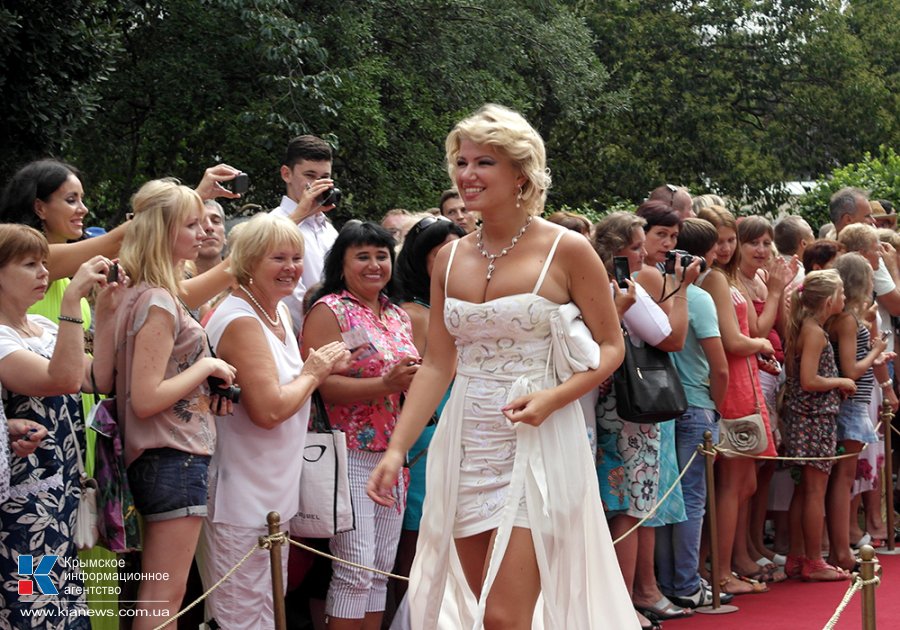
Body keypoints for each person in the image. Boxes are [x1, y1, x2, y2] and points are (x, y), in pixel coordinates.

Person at [368, 104, 634, 629]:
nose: (467, 174)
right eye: (462, 162)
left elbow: (611, 347)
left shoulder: (567, 249)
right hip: (466, 442)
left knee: (503, 617)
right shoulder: (448, 259)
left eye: (484, 162)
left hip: (539, 440)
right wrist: (397, 449)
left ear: (521, 174)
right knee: (484, 612)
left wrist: (554, 398)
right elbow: (437, 364)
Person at [197, 213, 349, 628]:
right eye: (277, 258)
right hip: (240, 496)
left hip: (272, 493)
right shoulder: (241, 319)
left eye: (297, 258)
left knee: (268, 612)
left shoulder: (276, 310)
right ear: (248, 262)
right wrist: (314, 373)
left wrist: (318, 371)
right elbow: (268, 411)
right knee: (240, 618)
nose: (291, 268)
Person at [107, 179, 237, 628]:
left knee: (155, 592)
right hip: (172, 454)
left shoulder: (137, 291)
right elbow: (146, 398)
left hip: (157, 454)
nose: (204, 232)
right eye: (192, 225)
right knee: (164, 596)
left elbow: (108, 378)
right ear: (164, 231)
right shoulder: (159, 300)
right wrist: (207, 367)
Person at [301, 221, 420, 630]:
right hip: (346, 451)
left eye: (382, 256)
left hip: (392, 454)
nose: (374, 265)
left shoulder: (397, 314)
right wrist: (386, 384)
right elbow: (320, 385)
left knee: (380, 569)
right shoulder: (330, 309)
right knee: (354, 568)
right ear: (342, 263)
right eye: (362, 256)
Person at [0, 224, 120, 628]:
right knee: (36, 608)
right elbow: (62, 379)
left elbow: (97, 377)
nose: (43, 273)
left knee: (66, 608)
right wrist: (71, 300)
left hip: (64, 493)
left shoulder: (44, 326)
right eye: (28, 264)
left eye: (43, 263)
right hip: (24, 508)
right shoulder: (1, 338)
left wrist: (107, 310)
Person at [591, 212, 698, 628]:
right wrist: (682, 290)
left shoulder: (595, 284)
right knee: (631, 506)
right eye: (636, 246)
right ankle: (627, 602)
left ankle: (627, 598)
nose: (644, 253)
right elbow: (672, 337)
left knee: (619, 505)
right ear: (616, 250)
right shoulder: (621, 287)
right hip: (629, 412)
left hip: (606, 407)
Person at [695, 205, 776, 595]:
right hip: (731, 383)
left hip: (745, 381)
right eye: (719, 241)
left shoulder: (724, 277)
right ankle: (720, 572)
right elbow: (733, 341)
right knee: (732, 483)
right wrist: (761, 345)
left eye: (731, 240)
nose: (725, 248)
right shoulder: (713, 278)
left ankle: (719, 565)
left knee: (743, 483)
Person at [388, 214, 466, 612]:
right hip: (426, 434)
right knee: (418, 535)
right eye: (440, 255)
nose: (452, 263)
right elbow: (422, 379)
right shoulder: (413, 312)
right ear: (420, 260)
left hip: (463, 431)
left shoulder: (458, 305)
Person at [656, 218, 730, 609]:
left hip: (659, 405)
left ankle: (670, 581)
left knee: (667, 501)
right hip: (696, 404)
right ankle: (685, 582)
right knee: (692, 500)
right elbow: (720, 367)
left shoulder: (655, 290)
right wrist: (717, 409)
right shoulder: (697, 298)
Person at [781, 270, 854, 581]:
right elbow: (809, 380)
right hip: (813, 418)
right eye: (841, 293)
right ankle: (813, 560)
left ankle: (798, 556)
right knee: (814, 491)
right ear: (828, 301)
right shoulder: (813, 332)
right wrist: (841, 381)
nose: (845, 298)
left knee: (805, 490)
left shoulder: (807, 328)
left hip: (807, 417)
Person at [825, 253, 888, 572]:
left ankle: (838, 548)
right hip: (850, 406)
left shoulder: (845, 318)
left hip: (851, 404)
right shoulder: (847, 320)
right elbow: (850, 370)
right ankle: (840, 551)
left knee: (842, 479)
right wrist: (876, 351)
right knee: (843, 480)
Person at [272, 134, 340, 333]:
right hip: (300, 333)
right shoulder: (272, 223)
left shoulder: (330, 230)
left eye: (324, 178)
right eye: (310, 176)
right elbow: (290, 298)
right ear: (287, 174)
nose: (318, 185)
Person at [197, 199, 228, 274]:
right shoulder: (173, 279)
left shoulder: (245, 278)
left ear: (224, 235)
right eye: (200, 222)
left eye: (216, 221)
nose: (209, 227)